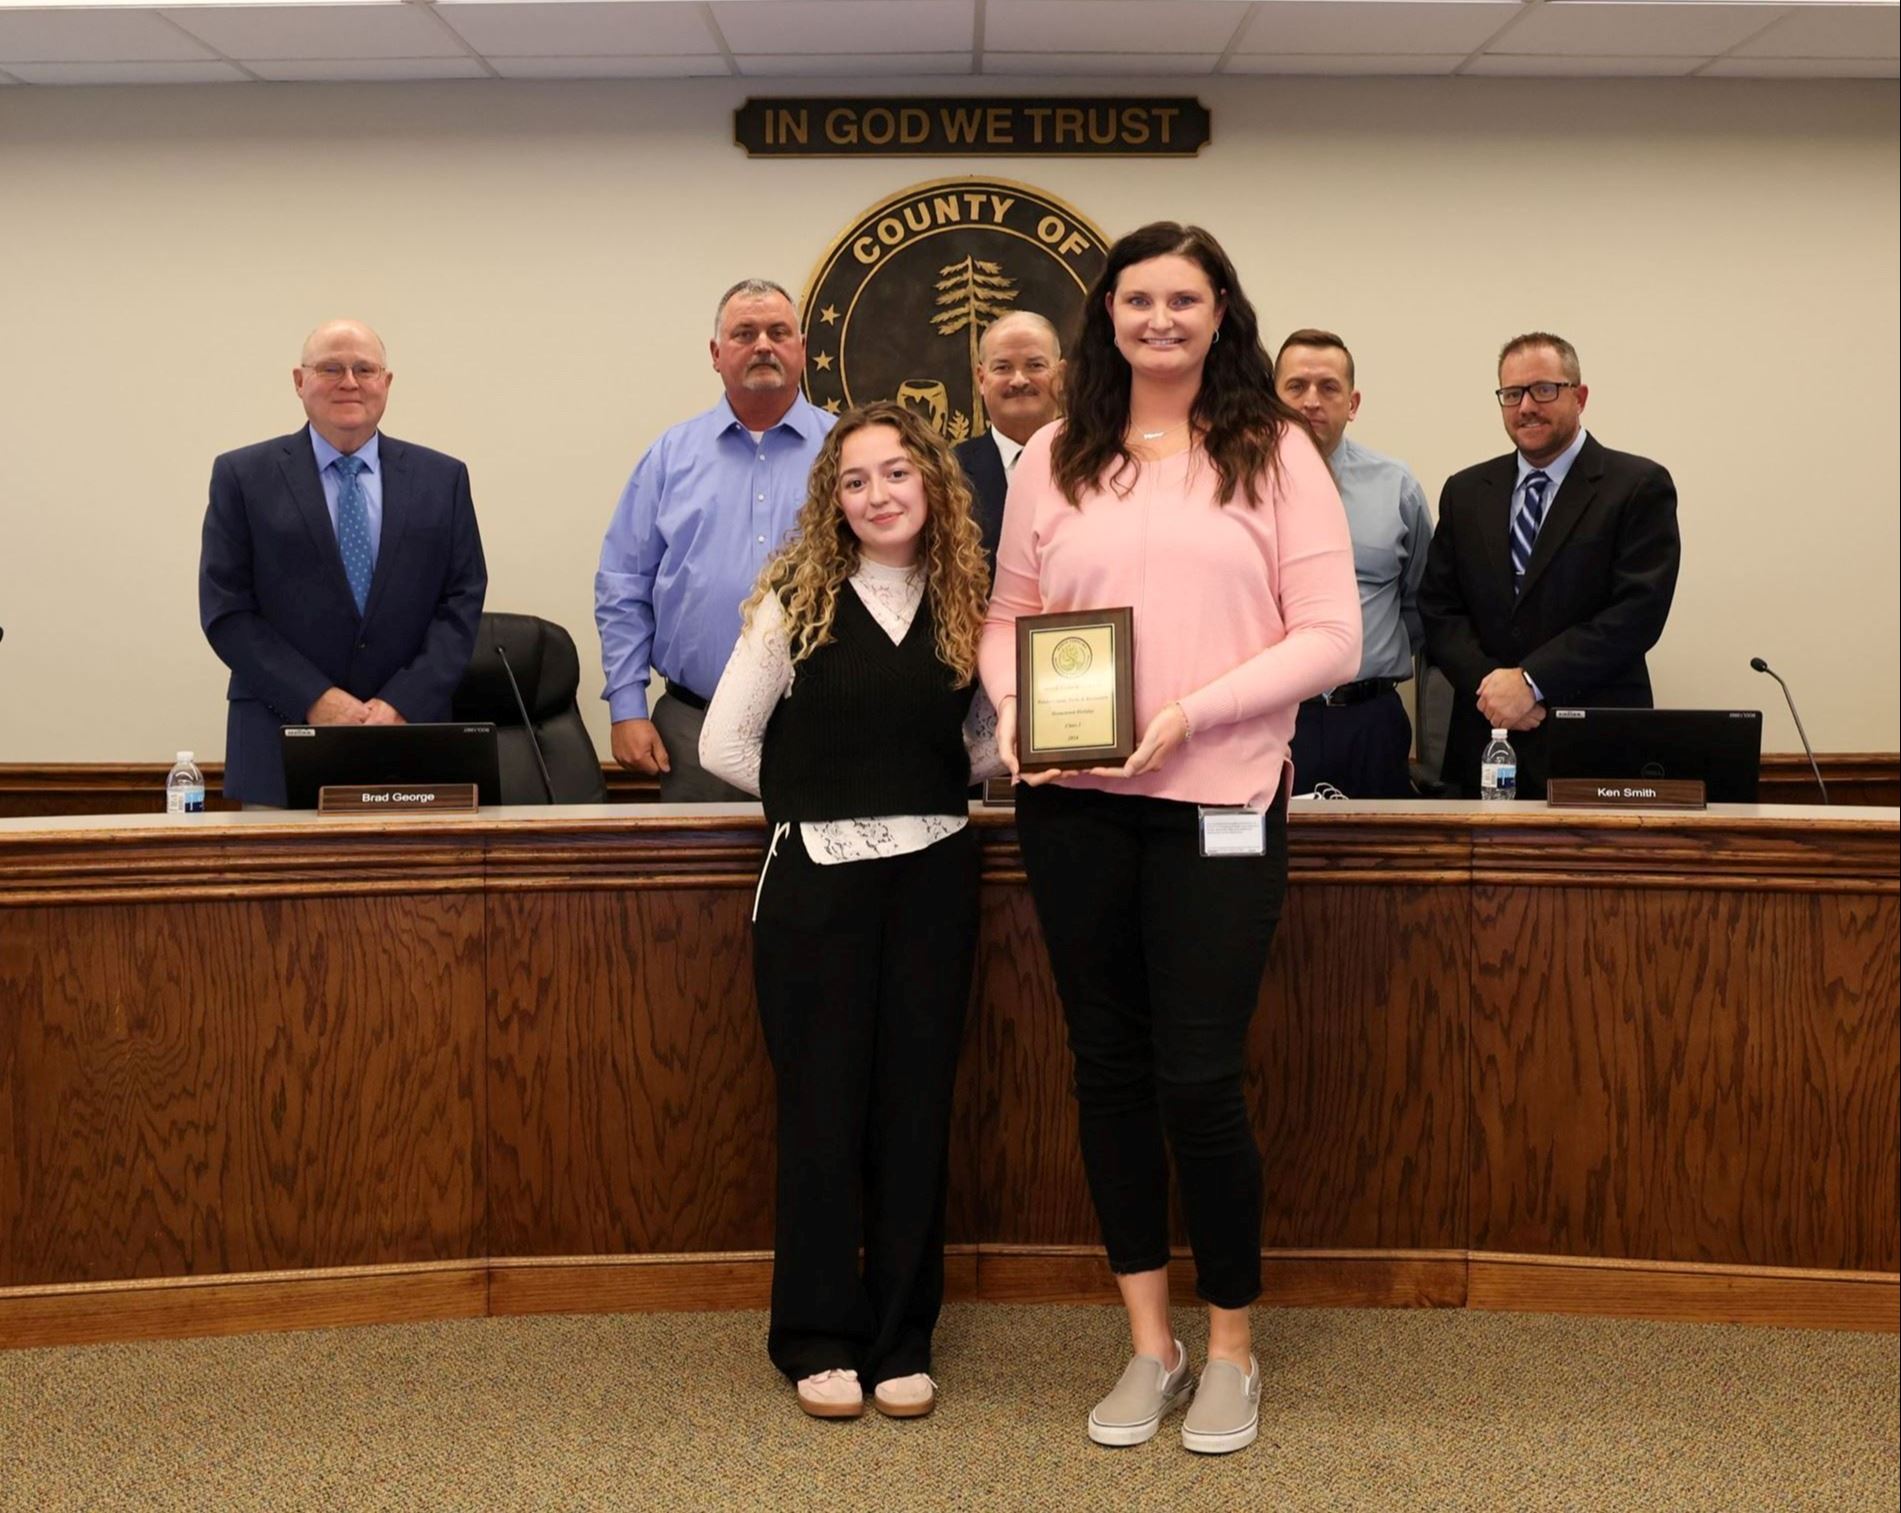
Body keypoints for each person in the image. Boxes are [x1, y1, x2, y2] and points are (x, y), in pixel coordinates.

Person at [979, 224, 1359, 1455]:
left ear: (1217, 313)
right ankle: (1149, 1343)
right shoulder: (1053, 452)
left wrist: (1192, 711)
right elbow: (1008, 616)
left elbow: (1328, 638)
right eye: (1136, 298)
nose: (1158, 318)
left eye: (1181, 299)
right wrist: (1015, 713)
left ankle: (1231, 1348)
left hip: (1220, 799)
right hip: (1072, 806)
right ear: (1105, 313)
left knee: (1198, 1079)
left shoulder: (1274, 451)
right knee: (1106, 1071)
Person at [700, 400, 999, 1423]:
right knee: (823, 1114)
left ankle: (901, 1337)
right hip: (815, 888)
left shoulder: (969, 599)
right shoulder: (794, 597)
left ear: (932, 486)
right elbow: (724, 748)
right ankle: (817, 1336)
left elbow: (984, 749)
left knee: (914, 1113)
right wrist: (826, 803)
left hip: (934, 882)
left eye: (895, 474)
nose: (876, 494)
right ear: (833, 498)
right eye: (854, 479)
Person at [199, 319, 487, 808]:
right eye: (330, 367)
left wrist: (402, 702)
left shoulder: (443, 478)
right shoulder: (243, 477)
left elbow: (461, 603)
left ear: (386, 382)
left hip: (411, 741)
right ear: (299, 381)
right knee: (282, 884)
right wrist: (315, 698)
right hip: (279, 739)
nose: (349, 381)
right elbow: (227, 610)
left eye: (364, 368)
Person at [596, 278, 834, 800]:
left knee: (824, 878)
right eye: (744, 333)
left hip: (823, 726)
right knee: (700, 880)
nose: (763, 346)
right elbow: (622, 586)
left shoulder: (847, 452)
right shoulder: (670, 456)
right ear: (716, 353)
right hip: (692, 726)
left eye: (778, 332)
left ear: (801, 347)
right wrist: (627, 705)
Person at [1419, 332, 1681, 798]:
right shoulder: (1465, 492)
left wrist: (1532, 682)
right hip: (1484, 739)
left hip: (1593, 743)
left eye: (1543, 389)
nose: (1526, 407)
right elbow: (1439, 609)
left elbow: (1636, 615)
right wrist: (1494, 688)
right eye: (1512, 394)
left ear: (1579, 397)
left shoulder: (1638, 486)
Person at [1274, 329, 1432, 798]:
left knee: (1382, 865)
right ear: (1272, 396)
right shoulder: (1236, 488)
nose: (1312, 401)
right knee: (1272, 862)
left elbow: (1419, 601)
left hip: (1371, 718)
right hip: (1277, 718)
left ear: (1353, 402)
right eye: (1296, 386)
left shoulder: (1396, 485)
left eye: (1328, 387)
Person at [952, 310, 1065, 578]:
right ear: (981, 379)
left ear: (1060, 374)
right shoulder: (948, 472)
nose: (1019, 380)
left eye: (1035, 365)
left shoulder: (1103, 461)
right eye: (1003, 367)